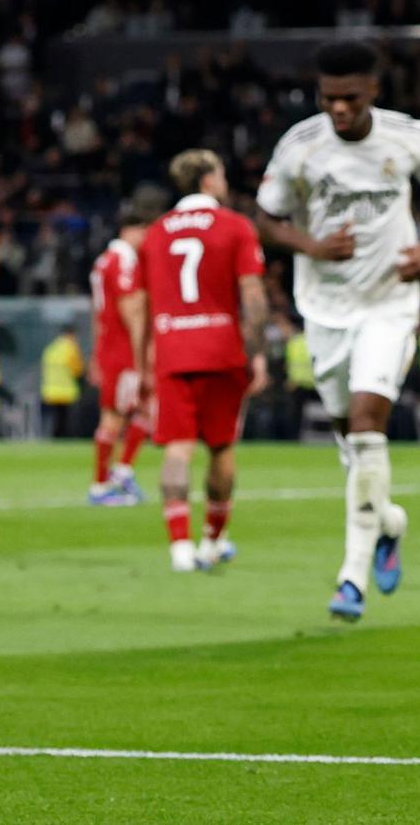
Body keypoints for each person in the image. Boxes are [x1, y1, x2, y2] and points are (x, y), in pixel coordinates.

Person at [253, 41, 420, 623]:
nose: (338, 109)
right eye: (328, 98)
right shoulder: (299, 147)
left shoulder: (408, 137)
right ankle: (388, 523)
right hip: (324, 308)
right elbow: (266, 218)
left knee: (368, 426)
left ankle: (352, 578)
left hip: (390, 303)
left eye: (349, 98)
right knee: (351, 444)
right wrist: (310, 245)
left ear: (373, 90)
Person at [126, 150, 268, 574]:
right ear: (208, 180)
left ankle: (179, 549)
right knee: (222, 447)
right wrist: (257, 353)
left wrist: (141, 361)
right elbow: (254, 297)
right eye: (221, 174)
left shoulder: (156, 234)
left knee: (177, 449)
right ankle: (213, 539)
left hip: (173, 350)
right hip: (222, 351)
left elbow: (137, 303)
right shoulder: (235, 227)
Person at [86, 196, 164, 506]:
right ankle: (100, 485)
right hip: (124, 350)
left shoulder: (103, 260)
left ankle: (121, 471)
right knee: (115, 417)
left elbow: (97, 313)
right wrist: (145, 359)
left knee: (143, 409)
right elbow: (132, 310)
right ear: (136, 229)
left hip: (109, 346)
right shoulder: (124, 260)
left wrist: (95, 355)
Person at [39, 327, 84, 438]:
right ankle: (63, 438)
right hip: (66, 391)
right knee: (65, 421)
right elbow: (78, 370)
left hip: (50, 390)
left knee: (55, 420)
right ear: (71, 334)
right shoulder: (70, 349)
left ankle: (54, 439)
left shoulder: (50, 349)